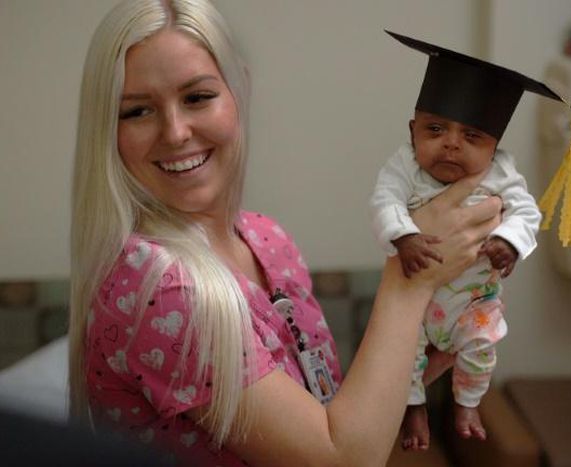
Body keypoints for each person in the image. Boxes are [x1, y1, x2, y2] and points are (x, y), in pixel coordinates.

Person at [67, 1, 502, 466]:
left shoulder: (265, 240)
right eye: (137, 111)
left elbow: (322, 421)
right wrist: (410, 280)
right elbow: (341, 460)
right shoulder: (156, 287)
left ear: (240, 91)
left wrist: (421, 356)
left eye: (197, 98)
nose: (175, 133)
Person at [370, 31, 565, 450]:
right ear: (413, 130)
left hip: (474, 302)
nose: (451, 144)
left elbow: (528, 213)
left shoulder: (501, 173)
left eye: (472, 137)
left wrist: (510, 242)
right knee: (404, 353)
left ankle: (467, 402)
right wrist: (404, 236)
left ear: (494, 147)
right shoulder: (404, 166)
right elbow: (385, 201)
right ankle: (414, 407)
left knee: (482, 343)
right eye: (435, 129)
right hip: (416, 299)